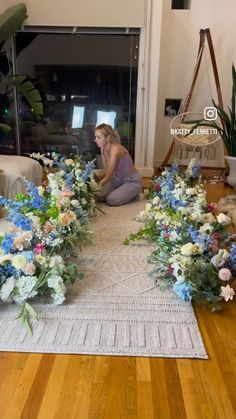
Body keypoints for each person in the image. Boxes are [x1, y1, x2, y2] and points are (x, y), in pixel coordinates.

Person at [94, 123, 142, 206]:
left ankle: (134, 193)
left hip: (131, 181)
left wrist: (93, 189)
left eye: (98, 137)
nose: (95, 140)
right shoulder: (103, 147)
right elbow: (106, 170)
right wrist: (93, 181)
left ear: (108, 138)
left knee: (111, 200)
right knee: (99, 196)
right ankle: (121, 191)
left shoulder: (116, 151)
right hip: (117, 179)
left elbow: (108, 177)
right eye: (95, 137)